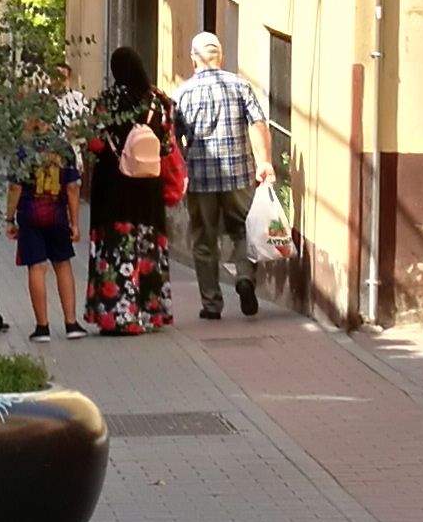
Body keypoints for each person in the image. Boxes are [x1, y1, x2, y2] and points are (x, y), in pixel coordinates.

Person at [170, 30, 276, 320]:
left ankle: (212, 303)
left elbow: (173, 140)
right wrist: (264, 161)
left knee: (204, 240)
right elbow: (257, 124)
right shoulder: (240, 86)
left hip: (201, 180)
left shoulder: (181, 94)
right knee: (245, 230)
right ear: (221, 56)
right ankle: (244, 278)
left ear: (194, 59)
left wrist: (180, 175)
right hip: (239, 175)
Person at [80, 46, 180, 336]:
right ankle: (151, 314)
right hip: (148, 188)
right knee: (146, 244)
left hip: (114, 189)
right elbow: (169, 146)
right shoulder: (159, 101)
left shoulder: (107, 101)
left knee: (115, 248)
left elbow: (94, 143)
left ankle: (117, 316)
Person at [7, 106, 79, 341]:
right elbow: (72, 188)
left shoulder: (22, 151)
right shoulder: (63, 148)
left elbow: (15, 187)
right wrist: (75, 222)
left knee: (37, 267)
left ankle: (42, 327)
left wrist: (9, 218)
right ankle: (71, 323)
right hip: (57, 214)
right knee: (63, 264)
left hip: (30, 214)